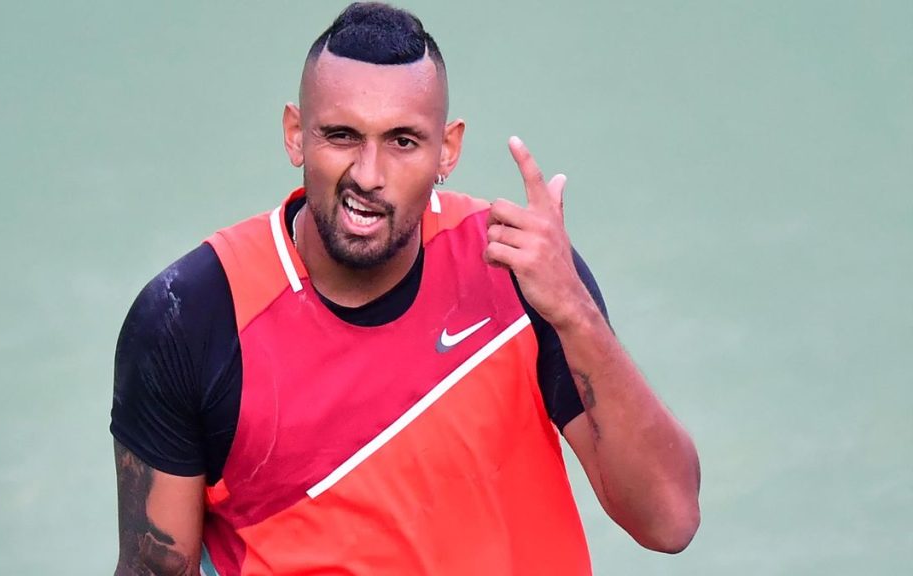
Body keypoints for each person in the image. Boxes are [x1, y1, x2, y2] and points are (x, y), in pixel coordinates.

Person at [110, 3, 700, 574]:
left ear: (448, 149)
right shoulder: (191, 319)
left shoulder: (519, 270)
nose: (368, 175)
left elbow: (669, 521)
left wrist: (575, 313)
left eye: (403, 141)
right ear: (295, 135)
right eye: (342, 135)